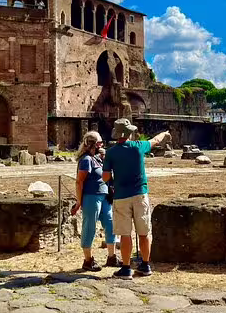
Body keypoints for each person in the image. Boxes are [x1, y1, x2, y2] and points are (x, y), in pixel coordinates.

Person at [103, 119, 171, 279]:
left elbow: (105, 176)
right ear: (129, 133)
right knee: (143, 232)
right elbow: (155, 141)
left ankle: (126, 268)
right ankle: (145, 265)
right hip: (140, 194)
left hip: (121, 196)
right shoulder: (138, 147)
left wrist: (113, 182)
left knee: (125, 234)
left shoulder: (111, 152)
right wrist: (165, 133)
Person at [71, 131, 118, 271]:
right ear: (92, 144)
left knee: (110, 225)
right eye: (99, 142)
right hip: (91, 196)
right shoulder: (86, 160)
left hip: (104, 197)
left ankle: (112, 257)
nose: (102, 144)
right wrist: (79, 202)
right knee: (89, 227)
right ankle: (88, 260)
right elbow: (79, 182)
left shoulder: (98, 158)